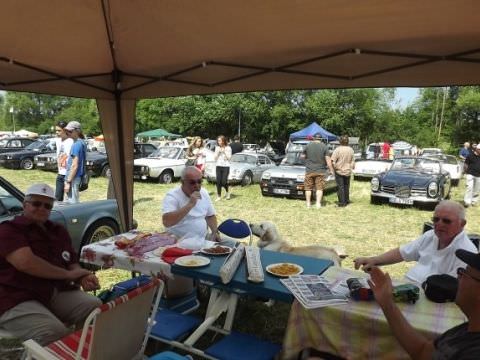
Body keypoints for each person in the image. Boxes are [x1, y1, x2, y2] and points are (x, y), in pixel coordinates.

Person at [0, 183, 101, 345]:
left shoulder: (57, 230)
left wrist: (83, 276)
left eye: (47, 206)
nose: (42, 208)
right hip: (15, 296)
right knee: (53, 332)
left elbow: (72, 263)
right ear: (25, 205)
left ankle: (78, 349)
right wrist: (69, 275)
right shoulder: (9, 230)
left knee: (95, 308)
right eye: (36, 204)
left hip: (51, 291)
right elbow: (26, 262)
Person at [368, 248, 480, 359]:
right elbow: (422, 351)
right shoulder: (466, 329)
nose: (458, 278)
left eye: (463, 273)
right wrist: (387, 303)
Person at [353, 200, 477, 284]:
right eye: (436, 219)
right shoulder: (430, 235)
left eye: (446, 221)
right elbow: (402, 252)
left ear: (462, 224)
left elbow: (452, 289)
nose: (439, 224)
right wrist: (374, 260)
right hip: (409, 288)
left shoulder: (466, 252)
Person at [162, 166, 221, 242]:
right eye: (192, 182)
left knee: (235, 246)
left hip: (203, 239)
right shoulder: (173, 196)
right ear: (182, 182)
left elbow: (210, 216)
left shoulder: (204, 192)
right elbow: (167, 222)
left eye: (199, 182)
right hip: (180, 241)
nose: (197, 185)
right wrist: (190, 204)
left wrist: (214, 232)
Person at [302, 133, 335, 208]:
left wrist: (308, 158)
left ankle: (308, 204)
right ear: (321, 139)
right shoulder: (324, 146)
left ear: (314, 138)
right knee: (319, 188)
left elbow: (302, 156)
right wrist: (331, 170)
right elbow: (328, 160)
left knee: (308, 188)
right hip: (320, 171)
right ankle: (318, 204)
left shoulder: (308, 145)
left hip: (309, 170)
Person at [63, 121, 87, 204]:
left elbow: (74, 166)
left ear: (77, 131)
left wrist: (68, 182)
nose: (67, 133)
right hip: (77, 178)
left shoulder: (76, 145)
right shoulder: (82, 143)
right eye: (67, 131)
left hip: (73, 179)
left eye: (70, 131)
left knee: (72, 205)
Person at [331, 135, 355, 207]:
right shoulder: (351, 150)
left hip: (339, 171)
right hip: (347, 171)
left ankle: (342, 203)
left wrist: (335, 167)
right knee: (346, 186)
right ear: (347, 141)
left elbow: (333, 161)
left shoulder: (337, 149)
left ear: (340, 141)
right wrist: (351, 167)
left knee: (340, 187)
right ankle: (347, 200)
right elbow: (353, 161)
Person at [54, 121, 73, 201]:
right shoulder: (57, 141)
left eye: (59, 130)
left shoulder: (71, 141)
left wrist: (69, 179)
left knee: (70, 199)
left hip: (68, 174)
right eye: (56, 130)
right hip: (60, 173)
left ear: (65, 130)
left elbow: (73, 159)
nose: (57, 132)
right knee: (57, 198)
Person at [213, 135, 232, 201]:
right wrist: (218, 153)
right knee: (218, 181)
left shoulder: (228, 148)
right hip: (218, 165)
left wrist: (224, 152)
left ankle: (227, 192)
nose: (219, 142)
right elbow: (215, 158)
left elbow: (229, 158)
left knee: (224, 181)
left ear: (223, 141)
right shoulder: (217, 148)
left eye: (220, 140)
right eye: (218, 141)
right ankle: (219, 196)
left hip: (226, 166)